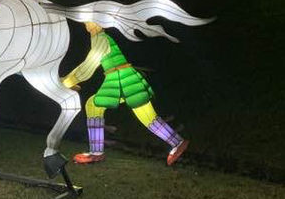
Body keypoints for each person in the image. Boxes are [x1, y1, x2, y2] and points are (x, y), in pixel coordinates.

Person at [62, 22, 189, 166]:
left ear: (100, 23)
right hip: (124, 76)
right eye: (87, 22)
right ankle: (177, 142)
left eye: (92, 21)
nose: (88, 25)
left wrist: (67, 81)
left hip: (120, 78)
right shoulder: (101, 38)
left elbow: (89, 66)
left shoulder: (101, 39)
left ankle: (96, 152)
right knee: (146, 117)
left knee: (95, 105)